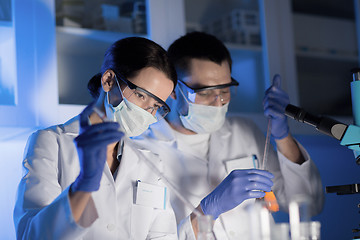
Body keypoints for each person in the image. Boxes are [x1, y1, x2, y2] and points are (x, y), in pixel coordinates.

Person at [133, 32, 324, 239]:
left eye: (225, 91)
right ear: (173, 90)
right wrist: (208, 210)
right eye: (205, 92)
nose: (218, 103)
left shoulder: (245, 132)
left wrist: (282, 135)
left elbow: (309, 203)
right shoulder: (142, 150)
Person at [13, 37, 179, 239]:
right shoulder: (51, 143)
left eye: (155, 106)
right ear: (109, 80)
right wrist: (85, 183)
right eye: (142, 96)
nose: (148, 114)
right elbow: (31, 235)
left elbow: (163, 236)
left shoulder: (151, 163)